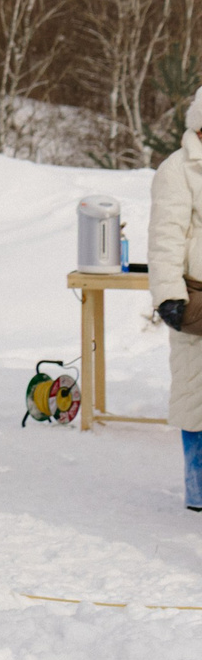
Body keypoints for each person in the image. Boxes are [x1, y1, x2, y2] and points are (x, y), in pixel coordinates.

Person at [147, 86, 202, 510]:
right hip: (197, 299)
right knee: (195, 394)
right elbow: (165, 237)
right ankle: (198, 489)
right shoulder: (179, 169)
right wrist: (168, 294)